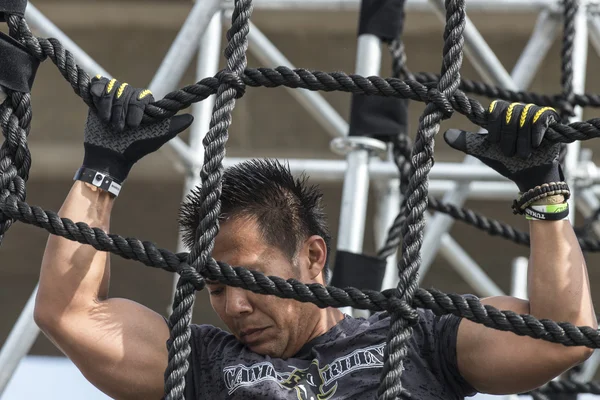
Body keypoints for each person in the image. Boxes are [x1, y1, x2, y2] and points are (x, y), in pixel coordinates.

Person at [33, 77, 597, 400]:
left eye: (246, 278)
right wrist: (100, 172)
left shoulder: (417, 337)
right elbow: (70, 315)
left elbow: (561, 338)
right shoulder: (204, 365)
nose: (233, 305)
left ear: (312, 255)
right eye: (215, 287)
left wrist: (542, 192)